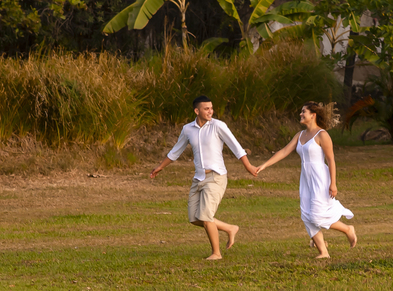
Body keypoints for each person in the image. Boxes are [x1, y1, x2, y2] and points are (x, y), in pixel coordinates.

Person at [150, 95, 258, 260]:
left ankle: (216, 253)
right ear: (196, 111)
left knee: (206, 217)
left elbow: (236, 146)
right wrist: (160, 167)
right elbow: (175, 151)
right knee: (194, 218)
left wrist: (248, 166)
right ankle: (230, 228)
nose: (211, 111)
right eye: (206, 108)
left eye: (211, 108)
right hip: (198, 178)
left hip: (216, 177)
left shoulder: (218, 126)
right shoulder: (188, 129)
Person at [255, 101, 356, 259]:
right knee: (306, 215)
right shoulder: (300, 135)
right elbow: (283, 151)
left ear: (313, 115)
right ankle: (323, 252)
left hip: (320, 179)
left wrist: (333, 183)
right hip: (306, 180)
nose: (301, 115)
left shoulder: (322, 135)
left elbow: (331, 160)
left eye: (304, 112)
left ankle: (348, 229)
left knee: (317, 215)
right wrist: (264, 165)